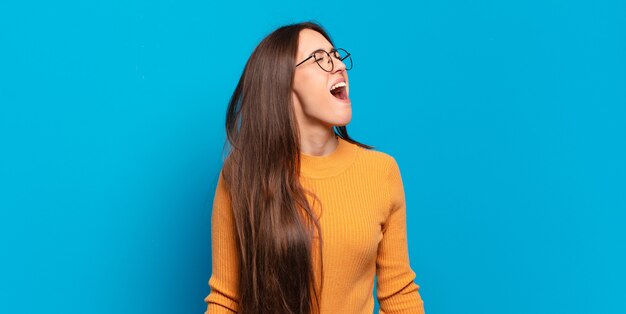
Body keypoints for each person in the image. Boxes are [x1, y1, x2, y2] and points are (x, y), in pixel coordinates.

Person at [204, 21, 425, 314]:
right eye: (320, 58)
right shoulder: (242, 174)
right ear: (281, 82)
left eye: (336, 56)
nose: (338, 66)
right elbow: (225, 300)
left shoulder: (380, 171)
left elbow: (400, 295)